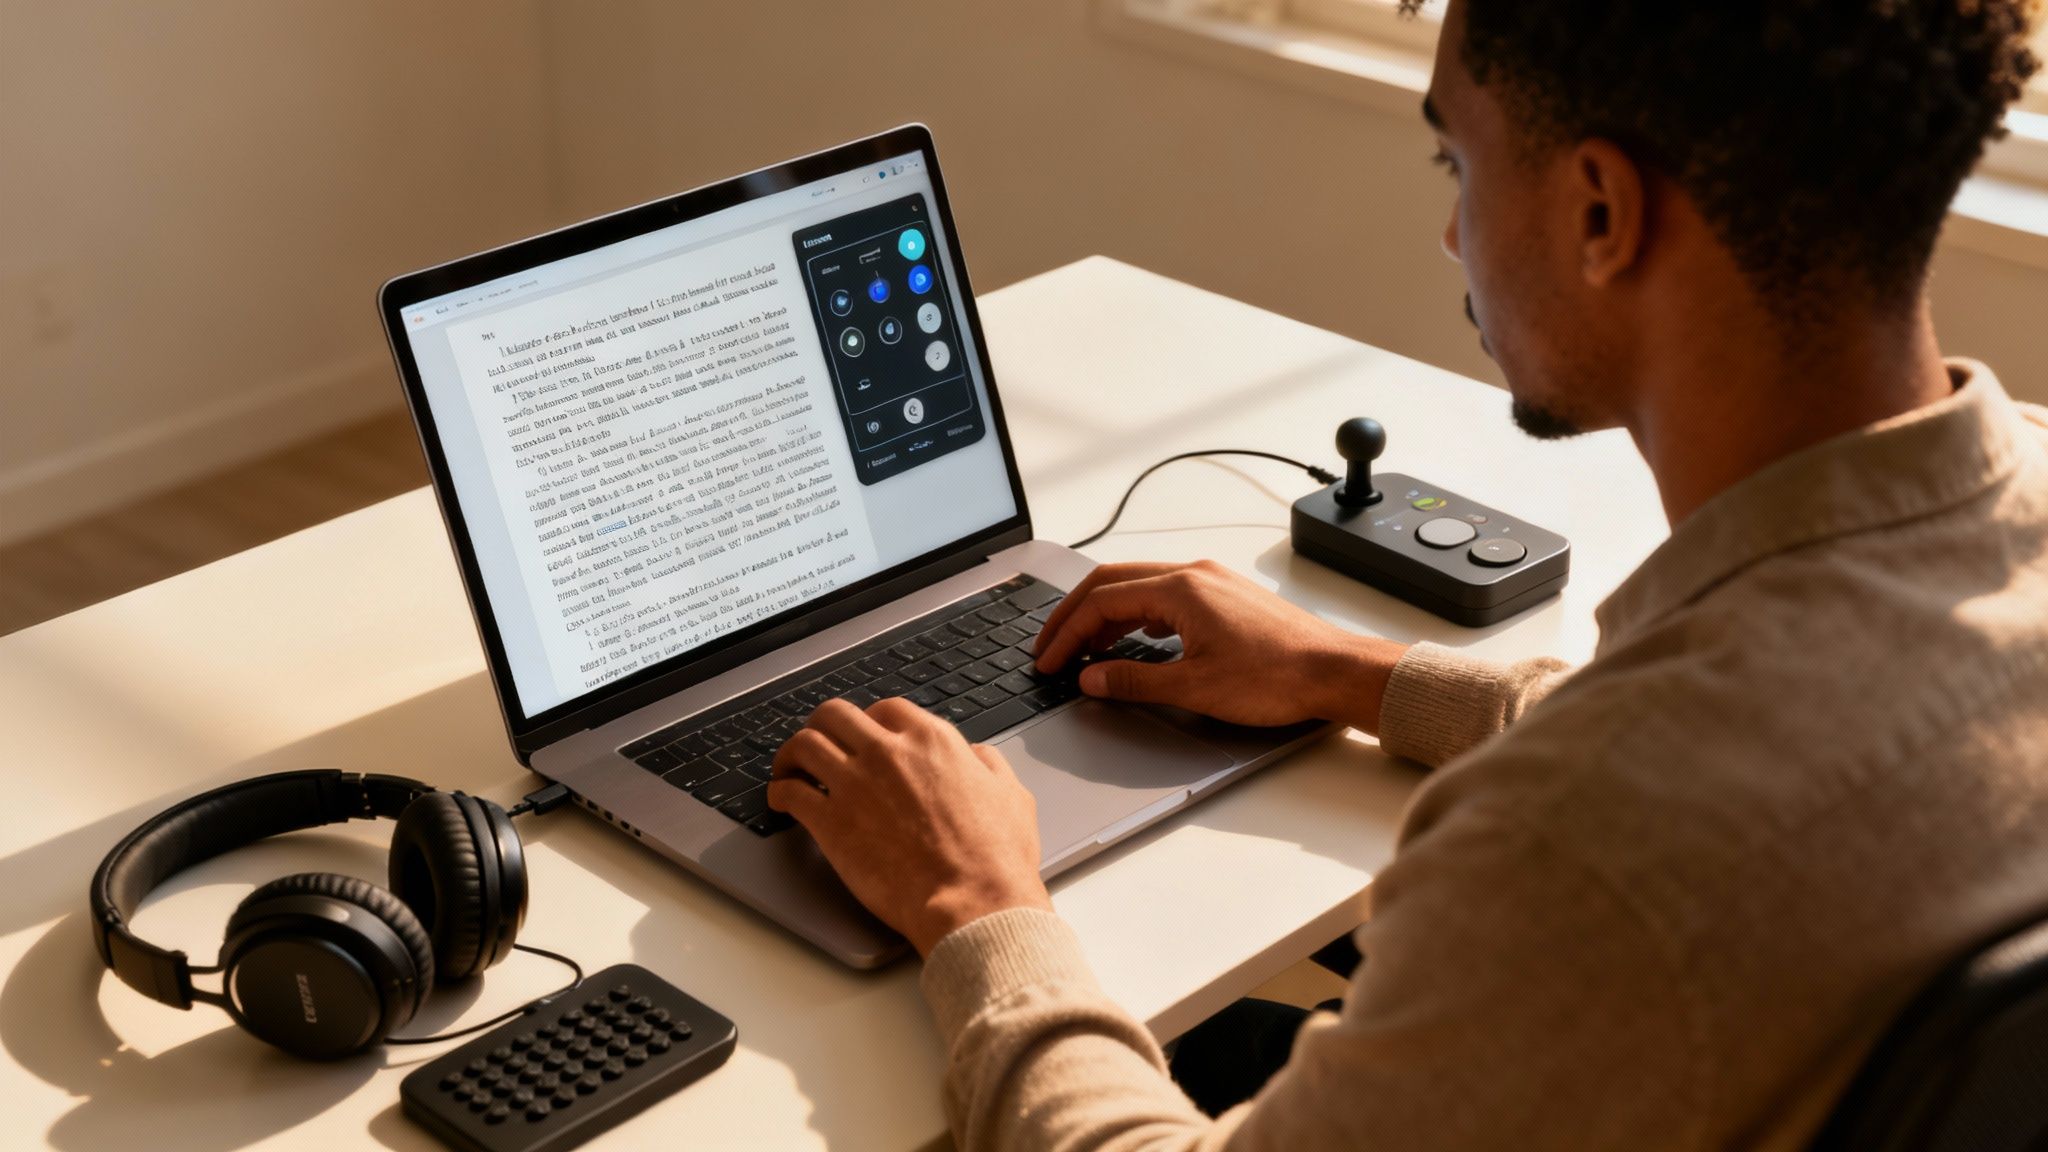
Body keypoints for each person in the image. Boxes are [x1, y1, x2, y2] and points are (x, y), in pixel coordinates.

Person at [767, 0, 2048, 1146]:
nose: (1449, 231)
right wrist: (1352, 672)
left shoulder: (1587, 851)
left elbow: (1643, 820)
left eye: (1457, 160)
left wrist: (975, 900)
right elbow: (1783, 754)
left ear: (1600, 212)